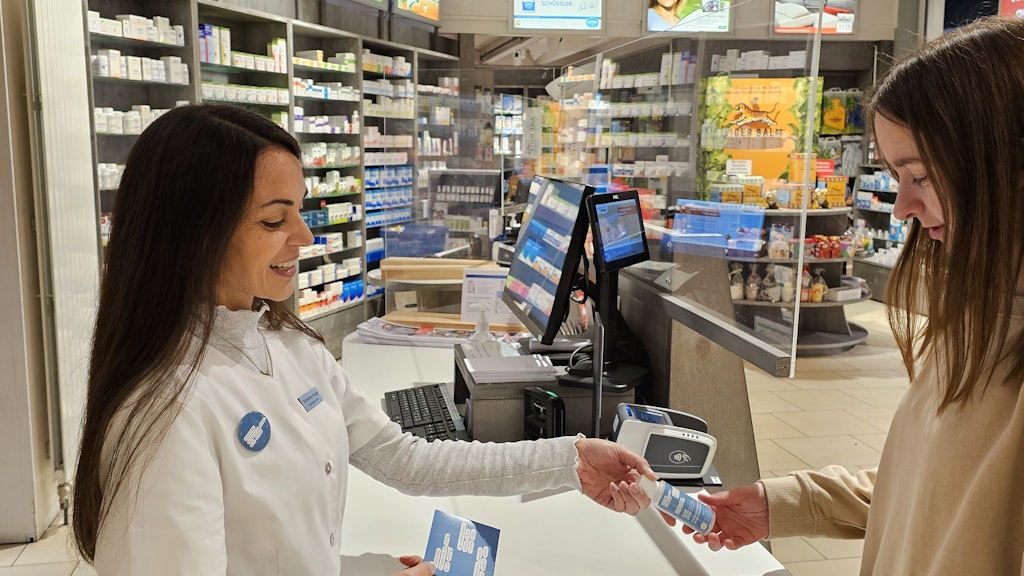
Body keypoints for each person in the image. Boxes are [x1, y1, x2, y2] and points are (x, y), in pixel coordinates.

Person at [71, 104, 656, 575]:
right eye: (274, 220)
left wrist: (569, 460)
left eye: (300, 211)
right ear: (192, 233)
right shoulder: (164, 414)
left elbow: (406, 460)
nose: (304, 236)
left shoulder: (287, 344)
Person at [675, 16, 1024, 574]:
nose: (902, 208)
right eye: (896, 176)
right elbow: (939, 488)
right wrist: (784, 504)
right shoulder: (983, 310)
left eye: (921, 175)